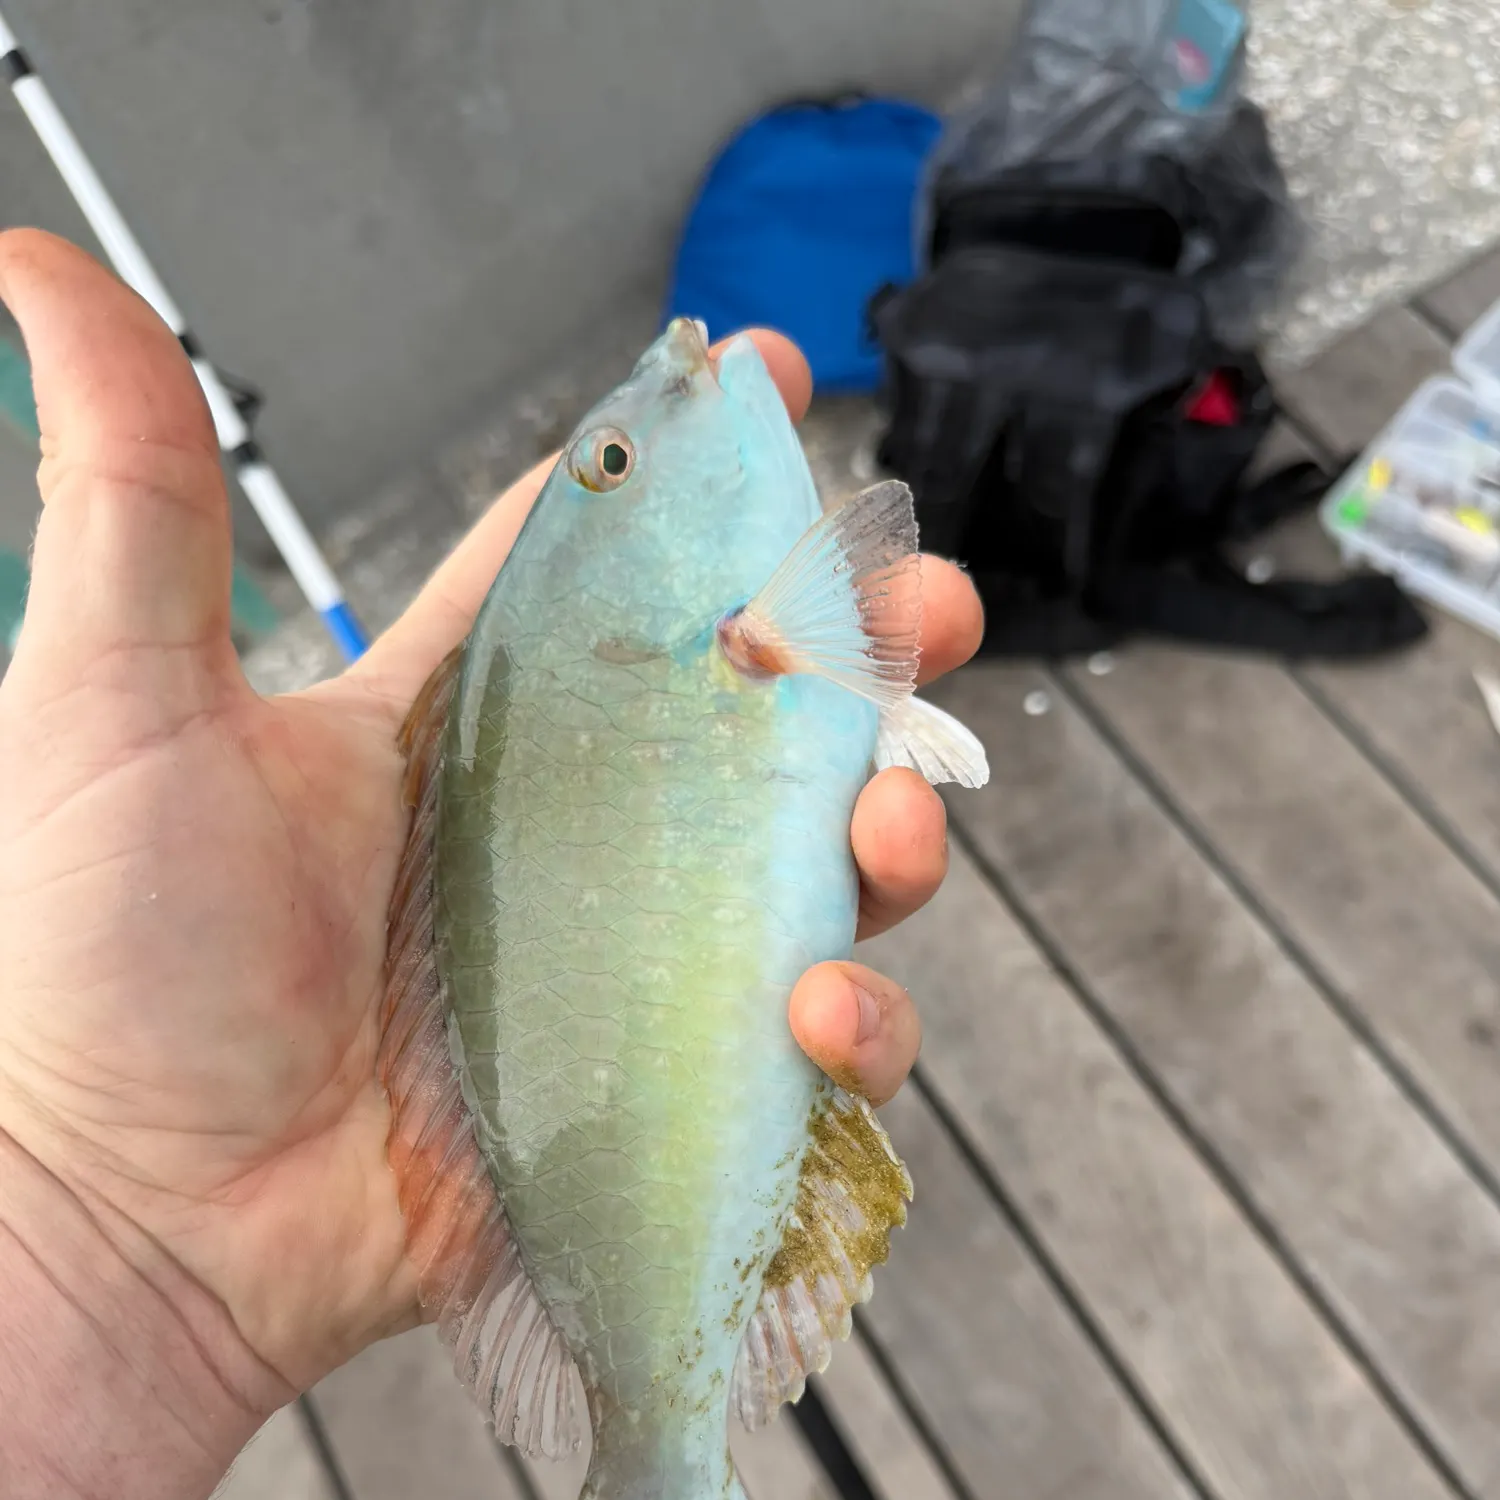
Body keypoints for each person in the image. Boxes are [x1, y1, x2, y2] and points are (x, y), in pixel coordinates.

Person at [0, 229, 983, 1500]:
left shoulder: (708, 634)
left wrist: (71, 1229)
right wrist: (66, 1204)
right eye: (614, 463)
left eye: (606, 460)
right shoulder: (753, 628)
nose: (673, 370)